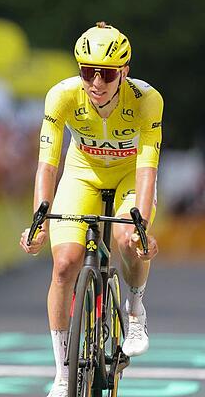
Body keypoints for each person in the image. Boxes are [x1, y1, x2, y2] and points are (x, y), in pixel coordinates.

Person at [19, 22, 162, 397]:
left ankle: (134, 311)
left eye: (107, 73)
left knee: (125, 237)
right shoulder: (62, 95)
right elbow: (47, 164)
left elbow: (148, 167)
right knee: (65, 263)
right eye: (87, 71)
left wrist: (142, 228)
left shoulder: (147, 100)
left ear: (124, 73)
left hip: (131, 175)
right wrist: (38, 221)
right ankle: (63, 373)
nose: (96, 82)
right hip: (82, 174)